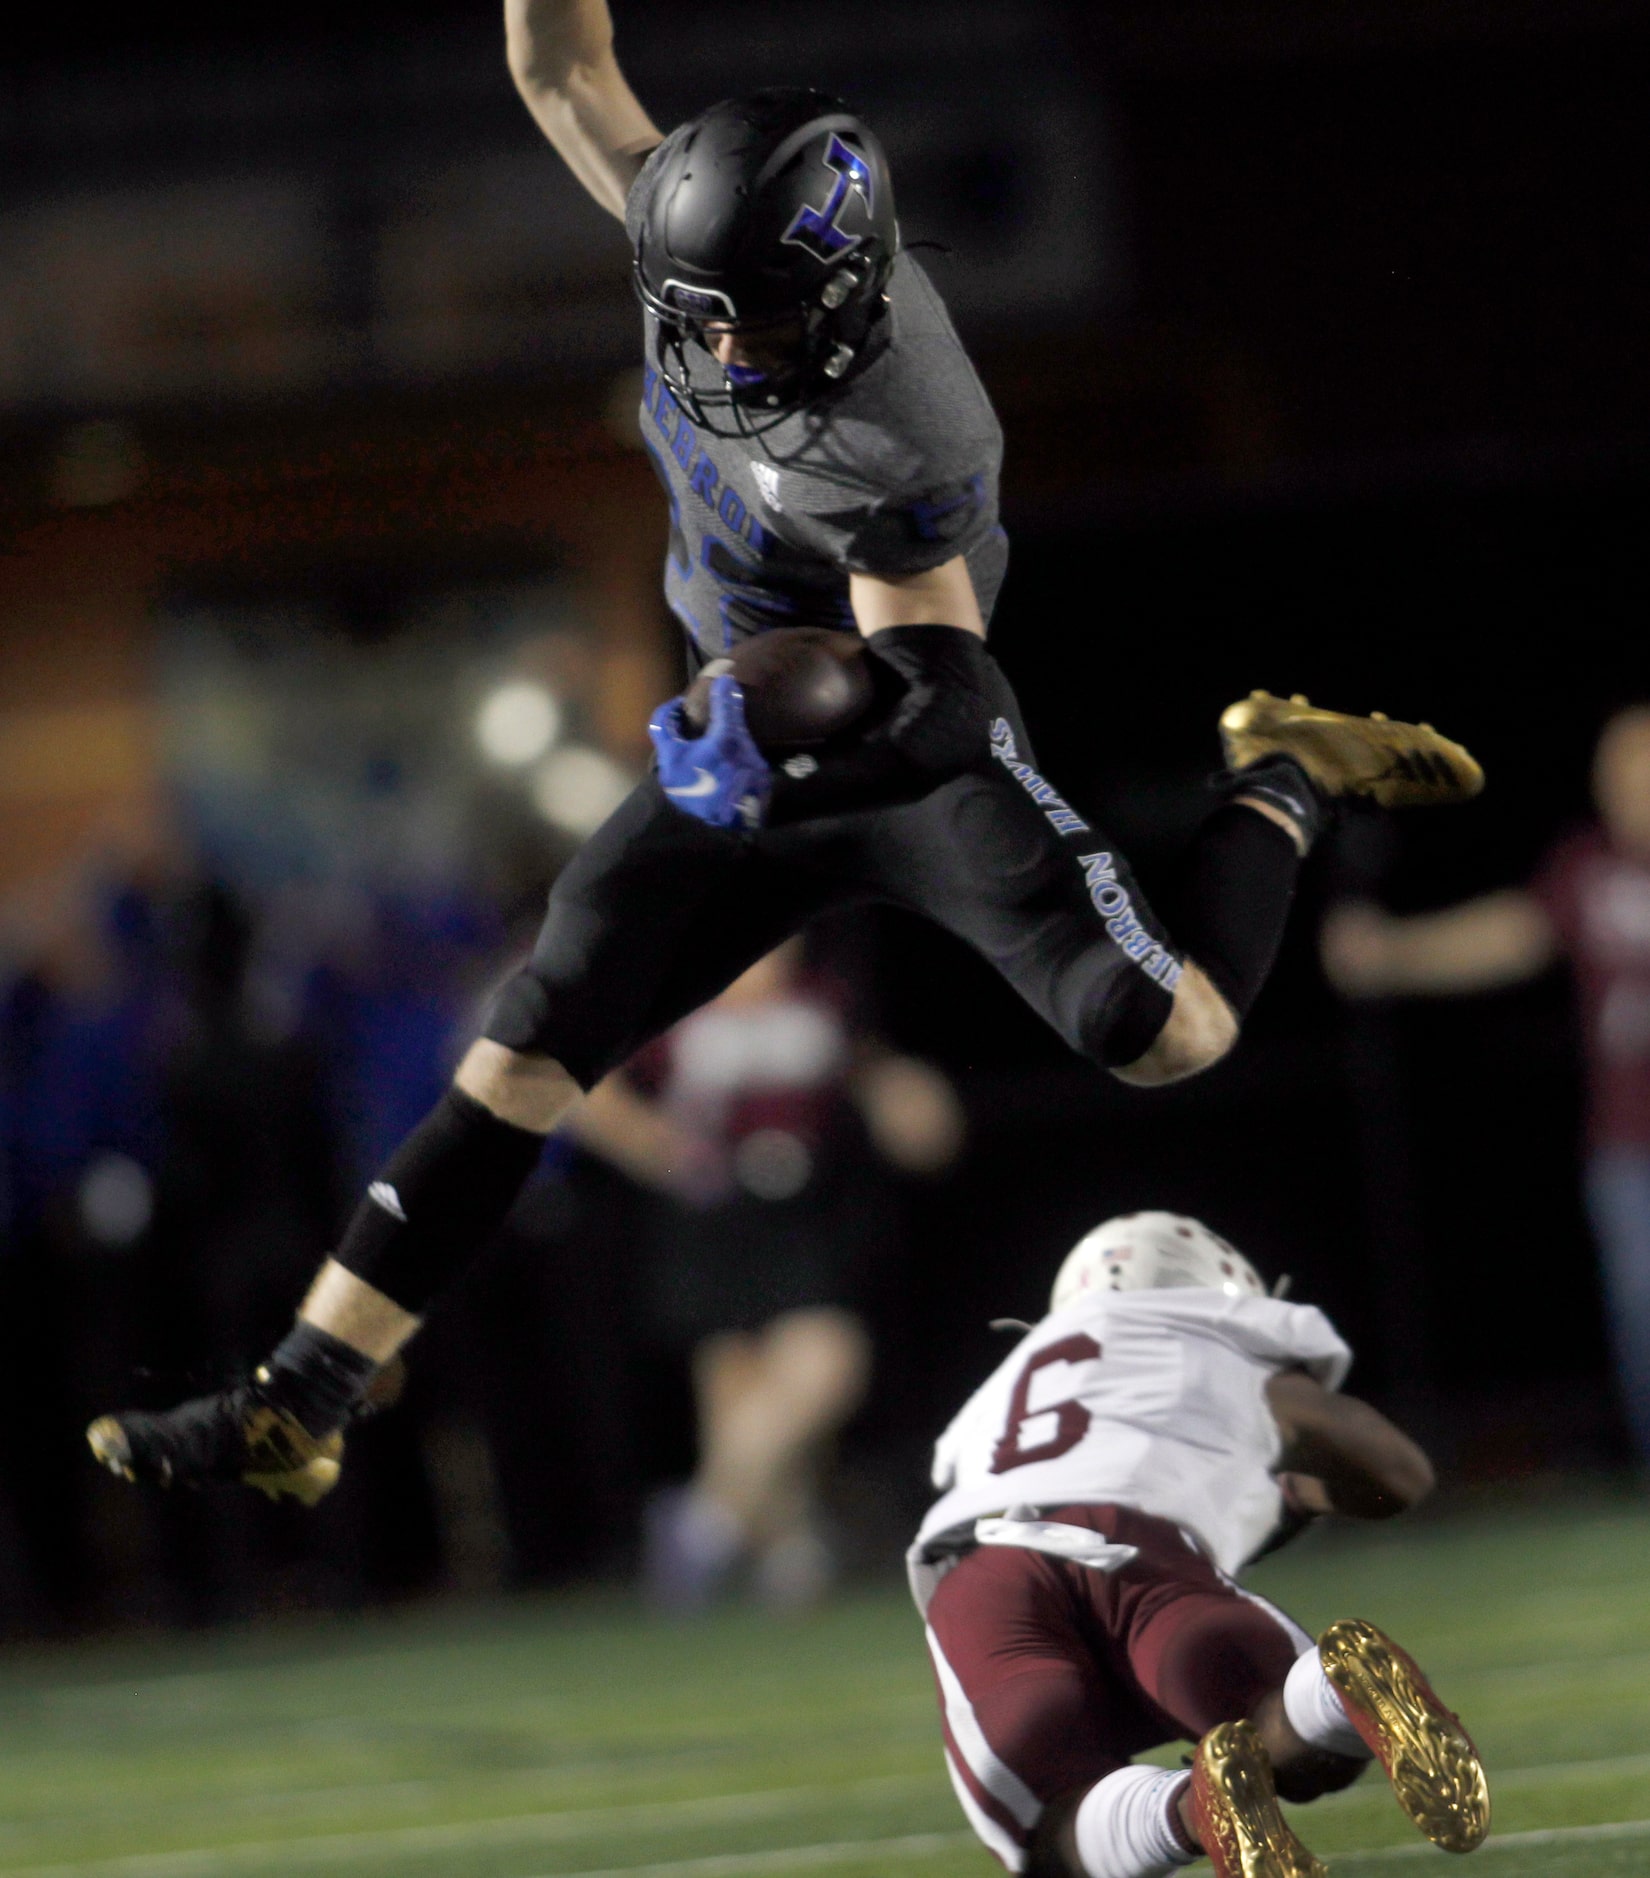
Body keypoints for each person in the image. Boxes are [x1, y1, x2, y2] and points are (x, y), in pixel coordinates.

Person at [87, 0, 1483, 1502]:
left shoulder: (906, 421)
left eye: (752, 314)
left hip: (893, 746)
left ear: (838, 292)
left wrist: (783, 774)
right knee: (519, 1056)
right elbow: (559, 65)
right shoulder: (692, 259)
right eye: (700, 310)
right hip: (734, 741)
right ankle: (301, 1398)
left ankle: (1278, 769)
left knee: (1171, 1034)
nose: (719, 342)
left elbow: (944, 696)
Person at [907, 1210, 1488, 1878]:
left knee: (1049, 1828)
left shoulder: (1007, 1384)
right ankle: (1333, 1688)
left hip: (989, 1570)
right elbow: (1395, 1472)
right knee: (1303, 1741)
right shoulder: (1202, 1332)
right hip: (1138, 1548)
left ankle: (1195, 1808)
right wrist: (1314, 1492)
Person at [568, 938, 962, 1609]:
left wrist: (912, 1103)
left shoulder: (824, 998)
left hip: (802, 1211)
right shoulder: (673, 1005)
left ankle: (700, 1523)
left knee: (825, 1365)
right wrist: (659, 1150)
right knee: (735, 1388)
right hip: (709, 1218)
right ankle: (786, 1550)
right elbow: (590, 1095)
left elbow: (878, 1074)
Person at [1322, 702, 1650, 1470]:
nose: (1627, 789)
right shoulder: (1588, 866)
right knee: (1642, 1311)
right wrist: (1391, 954)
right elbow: (1508, 936)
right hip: (1631, 1146)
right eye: (1617, 773)